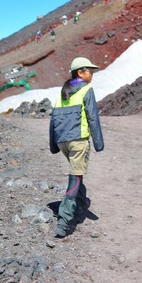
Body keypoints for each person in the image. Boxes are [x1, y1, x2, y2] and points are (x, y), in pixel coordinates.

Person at [49, 56, 104, 238]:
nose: (92, 74)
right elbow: (93, 117)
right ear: (80, 72)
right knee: (75, 177)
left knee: (76, 172)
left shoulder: (63, 92)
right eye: (90, 71)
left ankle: (80, 202)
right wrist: (99, 143)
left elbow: (53, 119)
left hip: (62, 141)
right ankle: (64, 222)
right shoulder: (86, 89)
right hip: (78, 140)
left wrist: (53, 144)